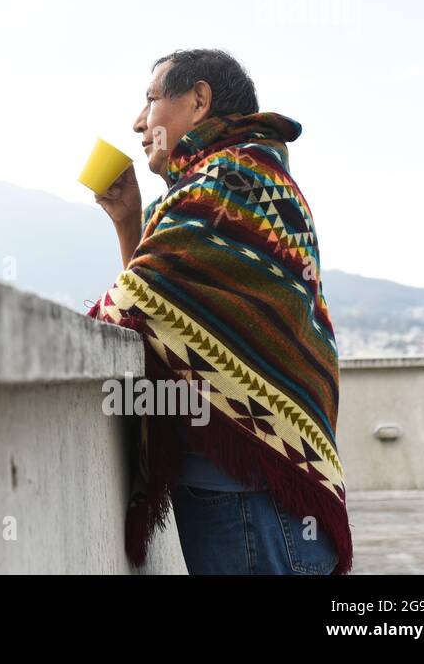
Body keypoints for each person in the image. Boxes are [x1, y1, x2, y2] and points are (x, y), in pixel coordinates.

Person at [89, 48, 350, 574]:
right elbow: (169, 308)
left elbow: (136, 306)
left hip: (253, 505)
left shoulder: (230, 181)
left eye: (151, 100)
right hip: (251, 494)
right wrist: (129, 223)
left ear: (199, 100)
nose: (139, 122)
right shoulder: (235, 176)